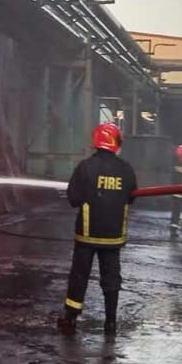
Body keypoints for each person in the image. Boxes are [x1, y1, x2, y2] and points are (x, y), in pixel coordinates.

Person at [58, 122, 138, 336]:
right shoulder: (126, 169)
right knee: (111, 278)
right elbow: (131, 197)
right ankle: (111, 323)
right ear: (116, 143)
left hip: (87, 234)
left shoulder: (85, 167)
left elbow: (73, 199)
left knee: (79, 276)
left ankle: (70, 319)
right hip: (112, 237)